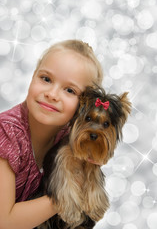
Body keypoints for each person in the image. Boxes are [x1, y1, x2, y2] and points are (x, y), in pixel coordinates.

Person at [0, 39, 103, 229]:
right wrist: (69, 190)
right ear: (32, 77)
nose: (52, 94)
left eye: (70, 90)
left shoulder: (67, 135)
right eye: (46, 79)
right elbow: (4, 221)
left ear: (84, 105)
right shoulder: (6, 134)